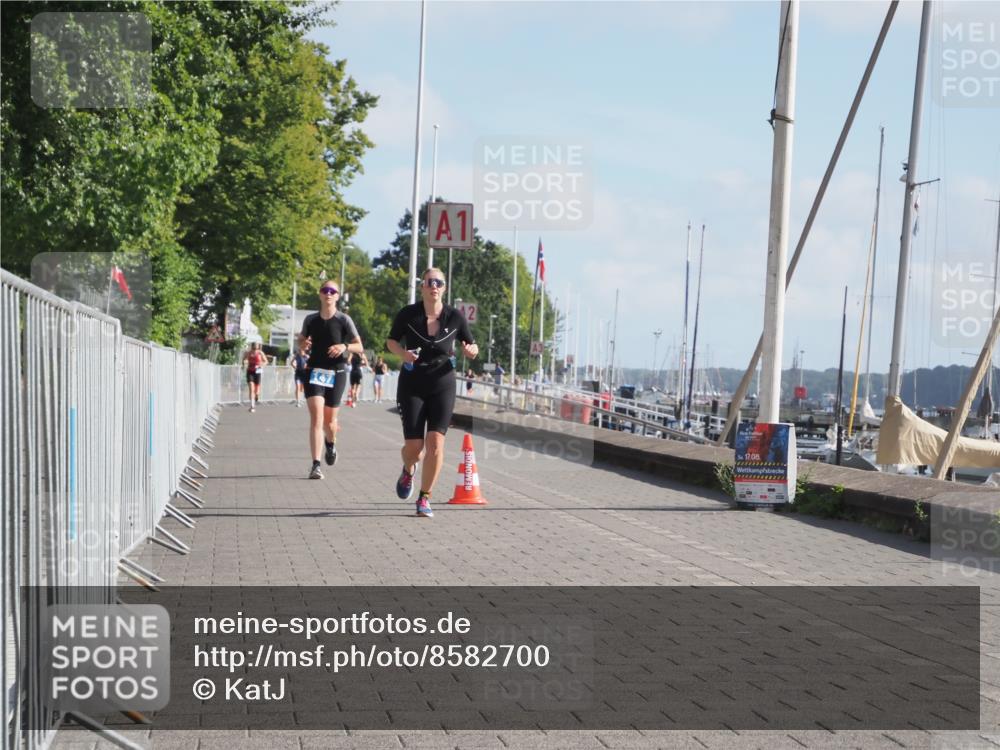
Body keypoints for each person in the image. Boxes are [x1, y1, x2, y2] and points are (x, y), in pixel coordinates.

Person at [386, 268, 478, 517]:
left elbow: (471, 344)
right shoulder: (408, 314)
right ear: (422, 287)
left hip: (442, 384)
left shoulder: (455, 317)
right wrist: (402, 353)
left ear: (444, 288)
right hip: (412, 384)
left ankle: (424, 498)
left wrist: (472, 351)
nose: (434, 286)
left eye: (439, 282)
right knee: (414, 449)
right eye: (429, 282)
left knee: (436, 444)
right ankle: (408, 470)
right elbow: (391, 341)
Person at [299, 282, 363, 479]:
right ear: (320, 295)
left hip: (337, 372)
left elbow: (359, 346)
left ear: (337, 296)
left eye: (332, 291)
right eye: (325, 290)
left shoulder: (344, 319)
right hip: (315, 371)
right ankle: (316, 465)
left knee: (330, 422)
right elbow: (301, 341)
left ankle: (331, 443)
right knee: (317, 418)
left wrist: (344, 347)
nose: (328, 294)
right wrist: (303, 342)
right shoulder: (310, 320)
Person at [243, 343, 268, 412]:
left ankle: (256, 396)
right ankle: (252, 406)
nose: (255, 350)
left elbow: (266, 361)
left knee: (256, 391)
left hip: (258, 371)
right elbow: (244, 359)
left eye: (256, 349)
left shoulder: (260, 353)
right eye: (254, 348)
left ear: (258, 348)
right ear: (252, 348)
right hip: (250, 372)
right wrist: (244, 363)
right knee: (251, 387)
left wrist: (261, 365)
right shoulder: (248, 353)